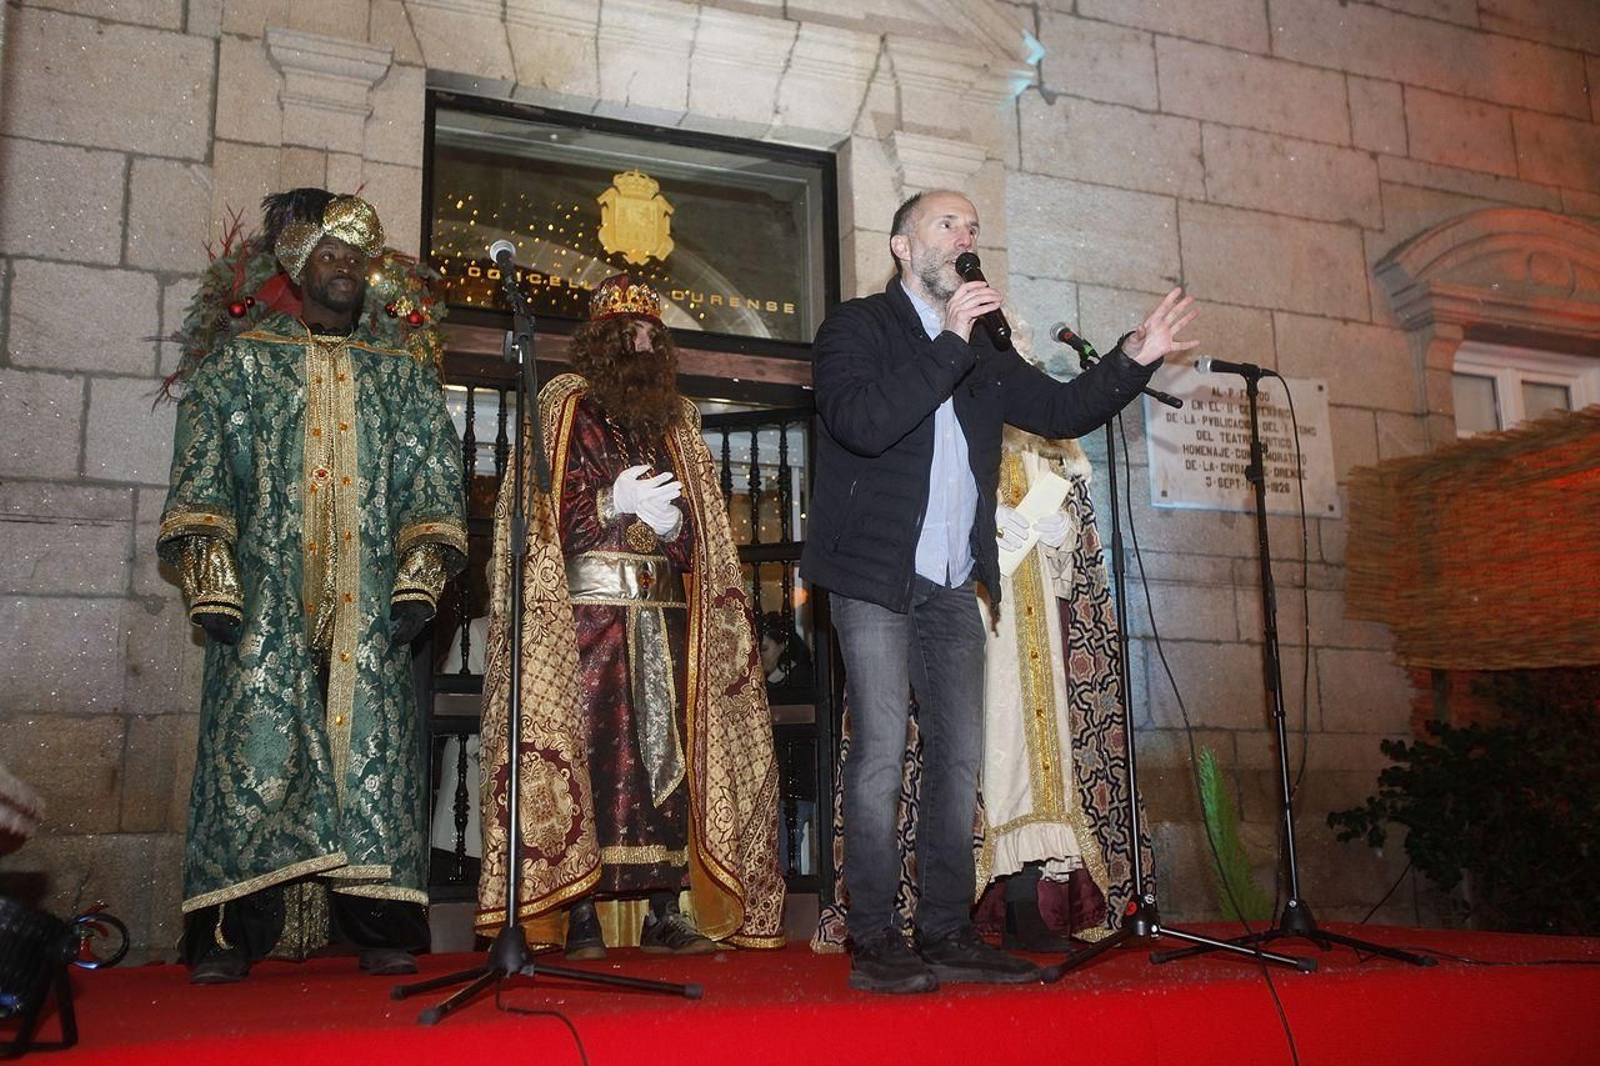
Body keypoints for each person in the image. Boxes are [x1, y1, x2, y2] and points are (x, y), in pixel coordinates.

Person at [801, 188, 1196, 994]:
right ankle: (875, 939)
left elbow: (1057, 409)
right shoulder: (857, 327)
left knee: (958, 760)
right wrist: (947, 343)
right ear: (903, 248)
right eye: (947, 224)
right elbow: (862, 423)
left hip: (953, 581)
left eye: (973, 226)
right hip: (876, 576)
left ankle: (946, 930)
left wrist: (1132, 356)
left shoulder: (982, 345)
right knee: (879, 755)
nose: (966, 235)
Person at [158, 192, 467, 984]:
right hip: (266, 599)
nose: (345, 270)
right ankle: (230, 931)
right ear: (300, 270)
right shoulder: (243, 362)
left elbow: (433, 483)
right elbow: (199, 478)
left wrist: (419, 583)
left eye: (356, 259)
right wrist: (213, 584)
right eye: (330, 256)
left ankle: (378, 923)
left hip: (368, 603)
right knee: (257, 752)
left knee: (370, 755)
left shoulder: (400, 376)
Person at [476, 274, 784, 958]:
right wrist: (609, 503)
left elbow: (700, 534)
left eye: (653, 335)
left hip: (665, 615)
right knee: (592, 756)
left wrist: (678, 526)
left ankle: (661, 910)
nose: (643, 344)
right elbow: (538, 515)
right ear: (603, 342)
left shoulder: (677, 422)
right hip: (588, 616)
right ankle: (578, 909)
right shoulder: (565, 406)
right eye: (630, 334)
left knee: (663, 766)